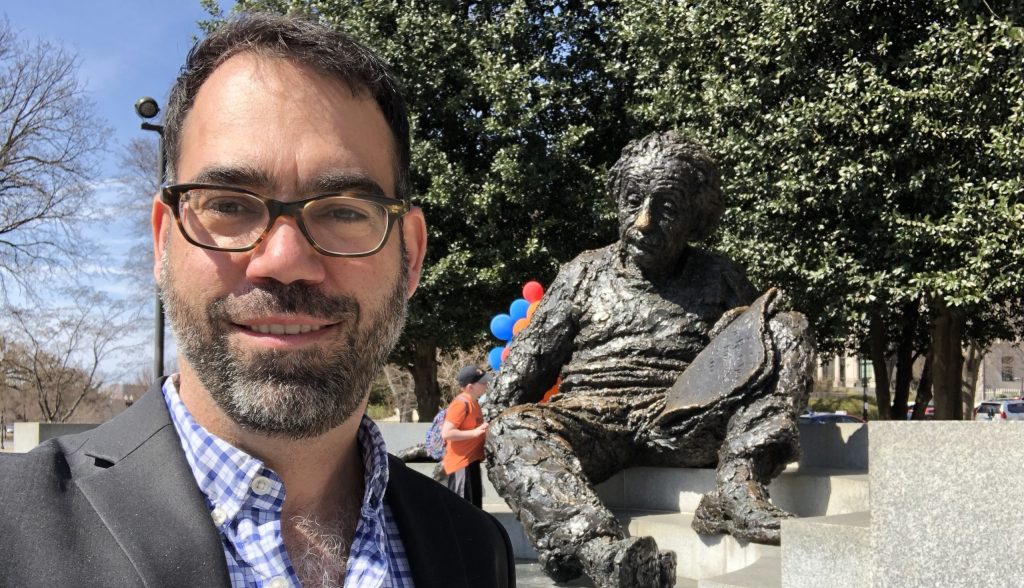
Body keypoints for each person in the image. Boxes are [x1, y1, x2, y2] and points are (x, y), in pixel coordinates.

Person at [0, 13, 513, 588]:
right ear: (162, 241)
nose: (284, 259)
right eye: (229, 204)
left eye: (345, 210)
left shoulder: (475, 549)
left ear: (411, 254)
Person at [484, 131, 814, 587]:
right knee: (509, 428)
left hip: (683, 419)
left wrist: (740, 331)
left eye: (668, 207)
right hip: (590, 420)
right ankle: (601, 552)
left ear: (696, 218)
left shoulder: (718, 276)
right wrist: (490, 431)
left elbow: (749, 355)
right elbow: (523, 368)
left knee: (785, 326)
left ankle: (740, 486)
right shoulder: (583, 273)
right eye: (633, 201)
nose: (643, 221)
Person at [441, 366, 491, 508]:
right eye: (483, 383)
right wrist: (474, 433)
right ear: (470, 386)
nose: (487, 385)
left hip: (471, 463)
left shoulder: (474, 403)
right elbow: (447, 432)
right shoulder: (461, 404)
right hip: (461, 466)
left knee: (474, 510)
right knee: (463, 512)